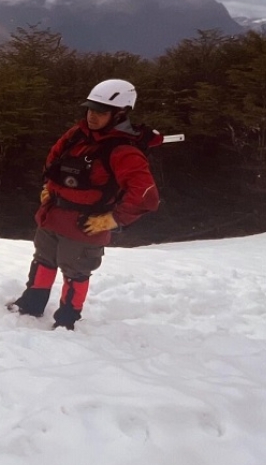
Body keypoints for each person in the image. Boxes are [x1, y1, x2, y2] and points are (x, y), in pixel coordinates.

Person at [8, 79, 161, 330]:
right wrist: (49, 186)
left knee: (75, 271)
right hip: (53, 214)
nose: (92, 116)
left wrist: (113, 219)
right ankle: (32, 303)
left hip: (85, 224)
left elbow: (146, 194)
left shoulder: (123, 151)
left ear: (120, 114)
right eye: (90, 109)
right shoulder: (77, 134)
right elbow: (53, 158)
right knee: (44, 259)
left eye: (100, 111)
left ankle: (66, 319)